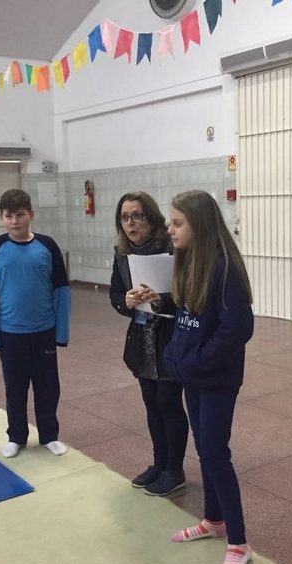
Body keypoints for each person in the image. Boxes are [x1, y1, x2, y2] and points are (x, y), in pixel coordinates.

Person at [163, 190, 255, 564]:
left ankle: (239, 543)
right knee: (204, 449)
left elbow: (238, 329)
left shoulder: (225, 268)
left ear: (198, 225)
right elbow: (185, 321)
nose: (170, 230)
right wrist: (174, 356)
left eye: (177, 223)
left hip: (216, 379)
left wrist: (196, 362)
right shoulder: (188, 261)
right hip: (194, 377)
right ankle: (213, 520)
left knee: (216, 453)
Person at [0, 188, 70, 459]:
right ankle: (16, 436)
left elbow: (62, 291)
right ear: (2, 218)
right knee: (15, 389)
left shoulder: (47, 246)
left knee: (48, 387)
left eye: (20, 214)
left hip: (44, 331)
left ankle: (49, 435)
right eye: (9, 216)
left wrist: (61, 332)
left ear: (31, 214)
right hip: (10, 333)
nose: (15, 221)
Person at [109, 191, 189, 496]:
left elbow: (186, 294)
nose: (130, 223)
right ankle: (159, 463)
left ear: (151, 217)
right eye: (124, 217)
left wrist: (160, 300)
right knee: (151, 403)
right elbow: (115, 293)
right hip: (142, 339)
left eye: (137, 215)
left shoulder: (172, 248)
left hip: (169, 338)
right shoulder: (122, 253)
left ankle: (174, 470)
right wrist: (126, 301)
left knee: (168, 403)